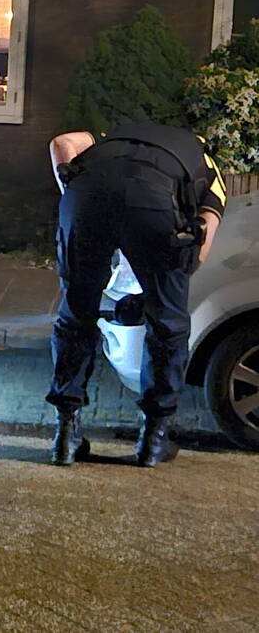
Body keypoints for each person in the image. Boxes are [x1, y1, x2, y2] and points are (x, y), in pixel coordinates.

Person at [46, 122, 227, 467]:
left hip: (85, 196)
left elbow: (61, 144)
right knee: (169, 325)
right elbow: (199, 246)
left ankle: (66, 435)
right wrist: (158, 296)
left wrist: (75, 202)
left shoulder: (108, 141)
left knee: (74, 317)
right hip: (153, 202)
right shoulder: (205, 164)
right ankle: (154, 439)